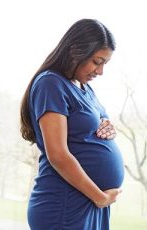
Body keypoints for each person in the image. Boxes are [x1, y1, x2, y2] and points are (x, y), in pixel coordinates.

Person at [20, 18, 124, 230]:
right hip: (64, 204)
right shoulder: (51, 83)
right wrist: (100, 198)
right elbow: (57, 154)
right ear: (75, 51)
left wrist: (108, 126)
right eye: (97, 62)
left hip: (89, 203)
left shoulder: (84, 87)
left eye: (105, 63)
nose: (100, 71)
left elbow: (94, 125)